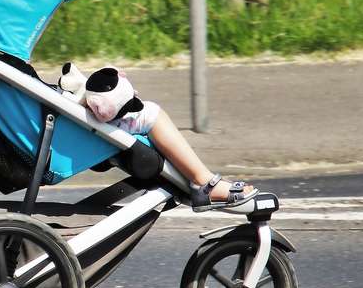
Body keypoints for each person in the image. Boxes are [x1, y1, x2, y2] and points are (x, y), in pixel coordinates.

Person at [59, 63, 258, 210]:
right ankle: (203, 183)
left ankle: (199, 180)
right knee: (151, 114)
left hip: (62, 123)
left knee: (144, 113)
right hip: (71, 132)